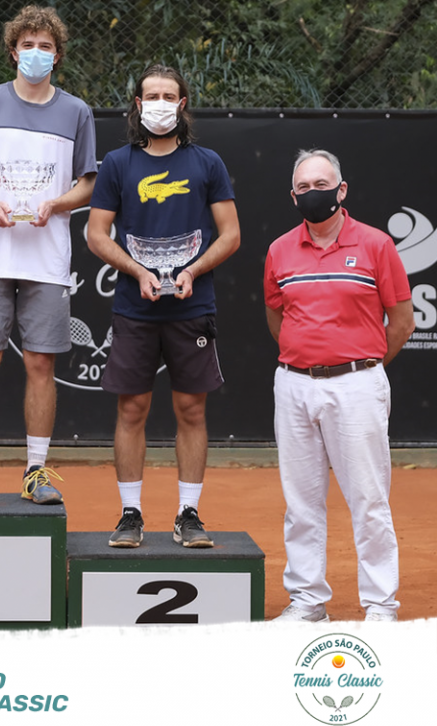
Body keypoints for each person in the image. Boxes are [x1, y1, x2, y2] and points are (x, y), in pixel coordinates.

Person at [0, 5, 97, 506]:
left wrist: (58, 203)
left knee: (40, 365)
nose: (36, 53)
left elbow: (88, 183)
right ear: (13, 51)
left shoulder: (76, 112)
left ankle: (36, 472)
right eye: (27, 44)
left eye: (45, 46)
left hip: (47, 262)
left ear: (58, 55)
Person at [87, 64, 240, 549]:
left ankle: (188, 514)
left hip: (192, 308)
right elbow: (96, 234)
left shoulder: (207, 163)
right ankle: (130, 514)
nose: (159, 103)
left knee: (191, 408)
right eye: (150, 95)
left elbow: (230, 234)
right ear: (137, 104)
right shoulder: (117, 163)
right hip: (135, 307)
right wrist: (137, 271)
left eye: (168, 96)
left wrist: (193, 270)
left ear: (182, 104)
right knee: (132, 408)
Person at [264, 148, 415, 622]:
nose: (313, 193)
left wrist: (362, 367)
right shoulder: (279, 250)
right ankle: (307, 602)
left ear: (341, 189)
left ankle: (381, 607)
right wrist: (307, 358)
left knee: (368, 500)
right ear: (293, 196)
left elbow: (402, 321)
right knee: (301, 503)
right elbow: (276, 316)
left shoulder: (376, 245)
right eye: (303, 187)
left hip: (357, 386)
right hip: (294, 386)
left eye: (321, 184)